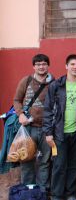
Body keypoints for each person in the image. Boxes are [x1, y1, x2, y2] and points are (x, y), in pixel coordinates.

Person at [43, 54, 76, 200]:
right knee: (59, 165)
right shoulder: (57, 85)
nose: (75, 67)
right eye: (72, 64)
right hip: (60, 132)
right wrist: (48, 132)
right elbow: (48, 110)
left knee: (74, 165)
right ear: (66, 66)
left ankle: (70, 193)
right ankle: (56, 196)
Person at [13, 54, 55, 192]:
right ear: (34, 66)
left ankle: (42, 192)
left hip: (46, 129)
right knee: (26, 160)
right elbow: (17, 100)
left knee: (45, 162)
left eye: (44, 64)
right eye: (38, 64)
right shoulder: (26, 81)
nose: (41, 67)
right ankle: (28, 191)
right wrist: (20, 115)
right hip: (28, 128)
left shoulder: (54, 82)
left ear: (48, 65)